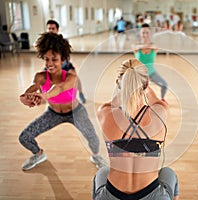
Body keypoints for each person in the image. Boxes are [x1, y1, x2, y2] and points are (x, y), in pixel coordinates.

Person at [93, 58, 179, 200]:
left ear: (118, 84)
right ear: (145, 86)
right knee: (169, 174)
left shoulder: (104, 112)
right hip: (152, 195)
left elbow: (114, 102)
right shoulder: (160, 112)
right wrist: (144, 87)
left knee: (101, 173)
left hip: (112, 194)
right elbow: (157, 101)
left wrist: (123, 89)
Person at [18, 32, 104, 171]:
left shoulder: (71, 76)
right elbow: (32, 87)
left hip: (75, 112)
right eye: (47, 59)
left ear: (62, 60)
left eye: (54, 59)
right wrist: (25, 97)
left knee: (93, 138)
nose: (50, 63)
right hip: (54, 114)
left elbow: (59, 87)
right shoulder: (41, 76)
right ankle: (39, 154)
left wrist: (44, 96)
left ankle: (95, 156)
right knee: (24, 137)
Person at [46, 19, 86, 103]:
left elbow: (66, 55)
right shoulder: (45, 43)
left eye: (53, 28)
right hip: (51, 65)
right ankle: (43, 96)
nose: (51, 30)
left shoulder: (63, 42)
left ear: (57, 30)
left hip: (64, 64)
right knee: (40, 77)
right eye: (49, 28)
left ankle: (81, 94)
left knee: (75, 77)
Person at [133, 23, 168, 101]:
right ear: (140, 34)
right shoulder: (136, 46)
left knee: (165, 85)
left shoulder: (154, 46)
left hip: (152, 73)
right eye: (143, 33)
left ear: (150, 34)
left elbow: (153, 47)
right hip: (139, 74)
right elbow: (136, 47)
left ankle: (162, 99)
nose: (145, 35)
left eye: (147, 33)